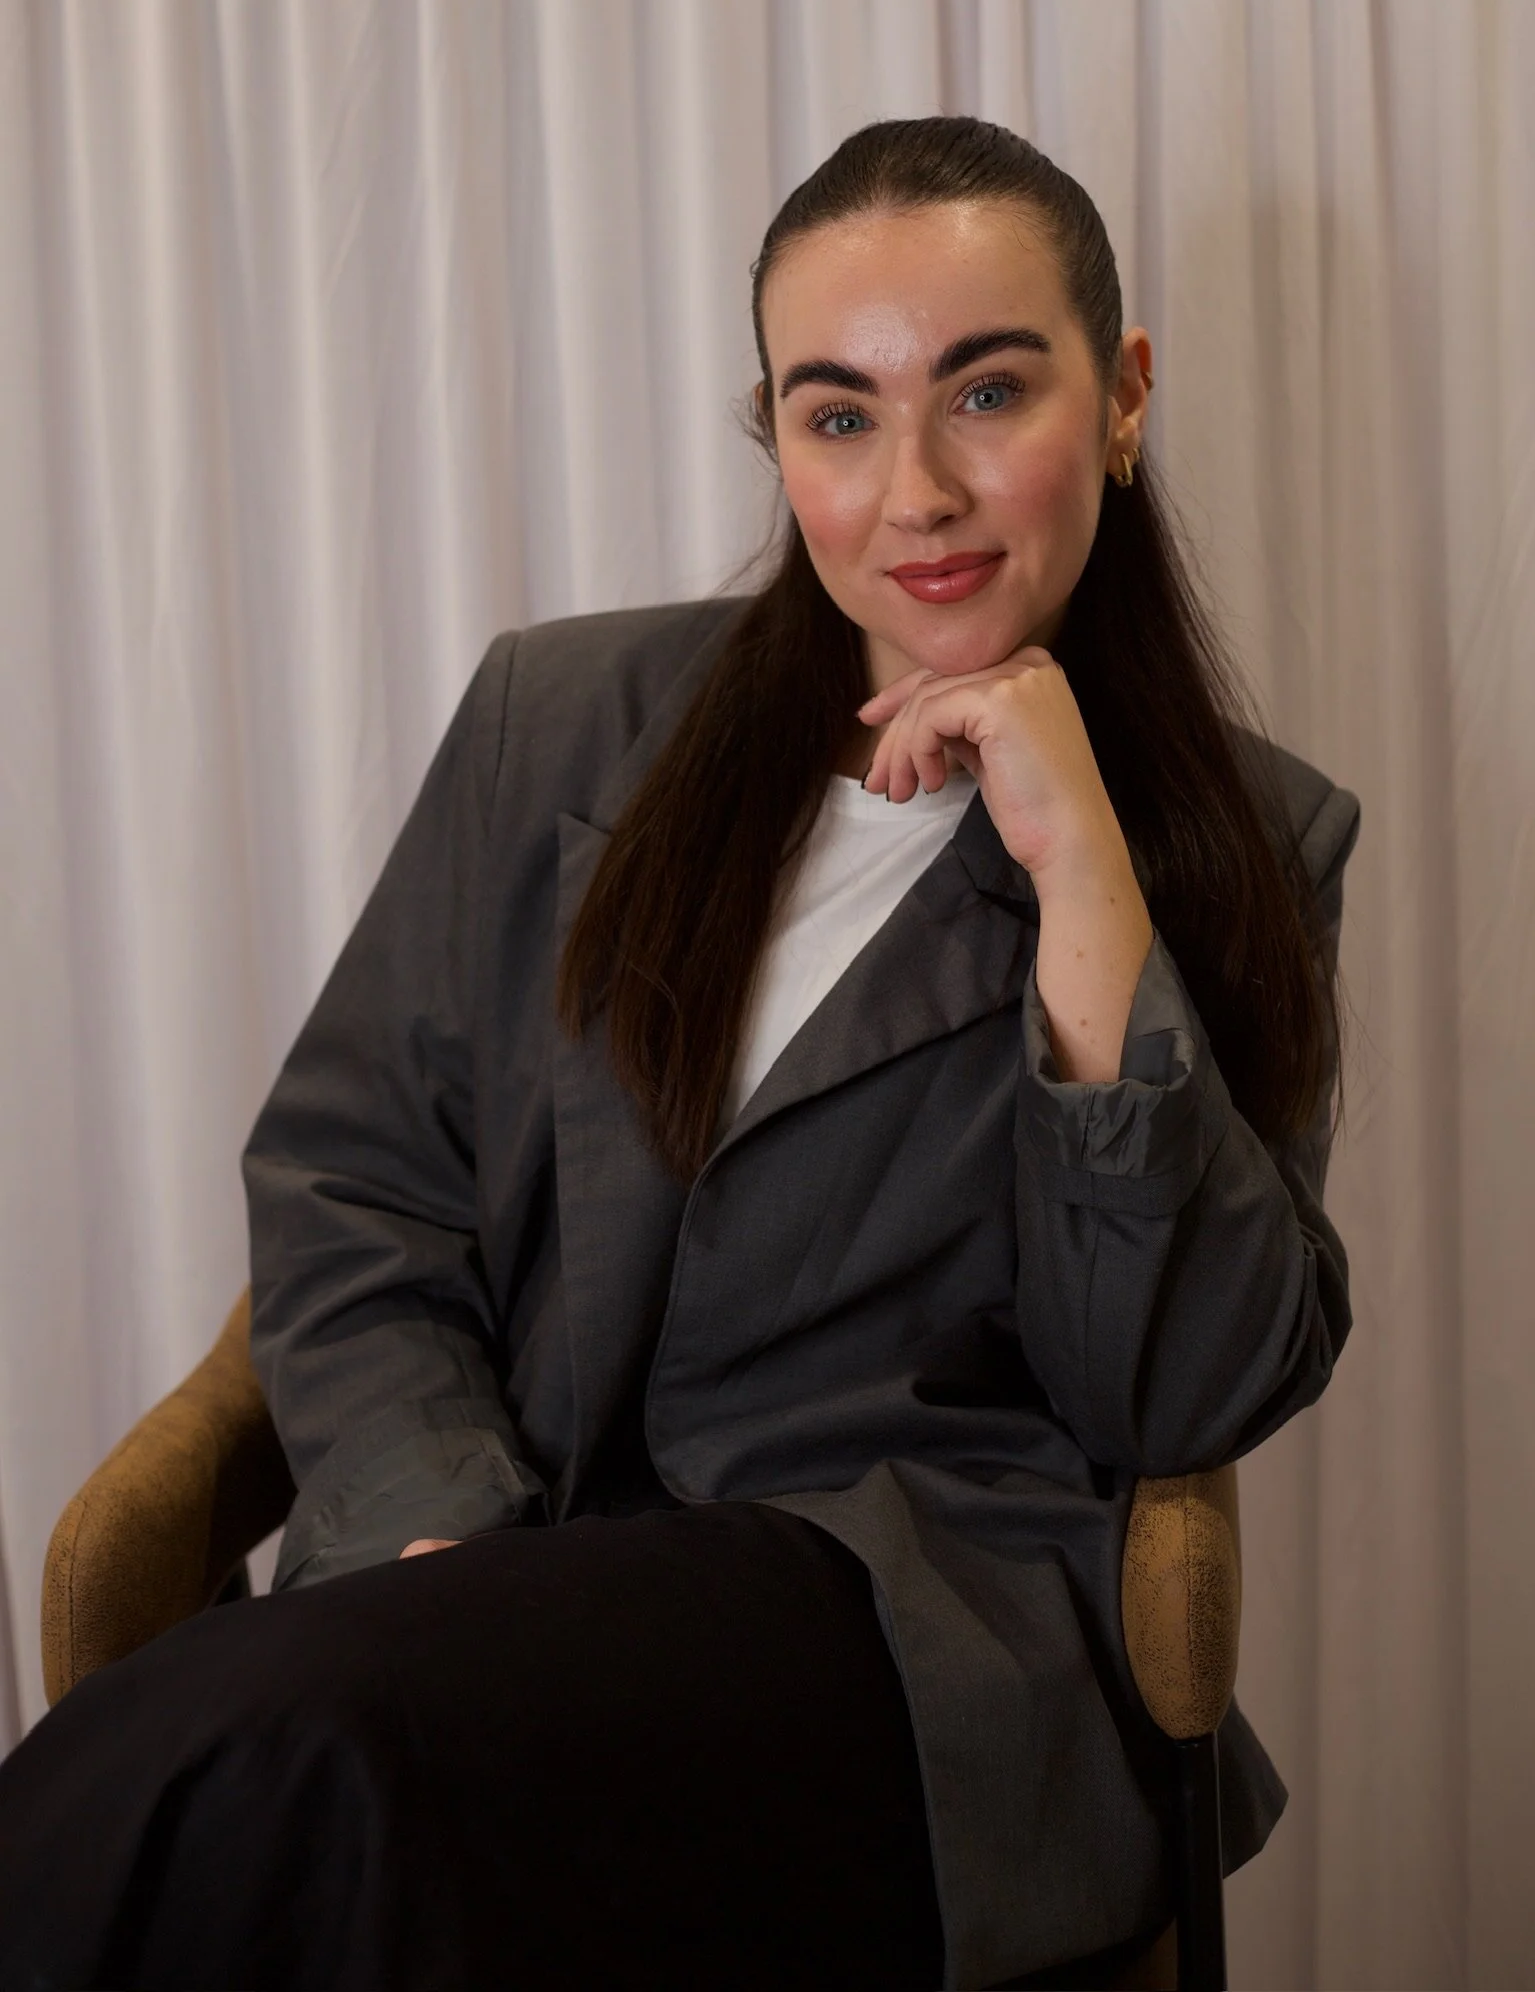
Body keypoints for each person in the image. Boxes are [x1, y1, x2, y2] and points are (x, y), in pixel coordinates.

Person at [0, 116, 1359, 1992]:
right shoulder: (557, 721)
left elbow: (1177, 1391)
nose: (916, 493)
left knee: (252, 1764)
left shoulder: (1243, 844)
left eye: (986, 390)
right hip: (474, 1596)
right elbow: (353, 1181)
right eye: (837, 414)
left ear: (1121, 399)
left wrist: (1082, 885)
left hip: (889, 1640)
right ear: (773, 437)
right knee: (274, 1789)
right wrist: (430, 1528)